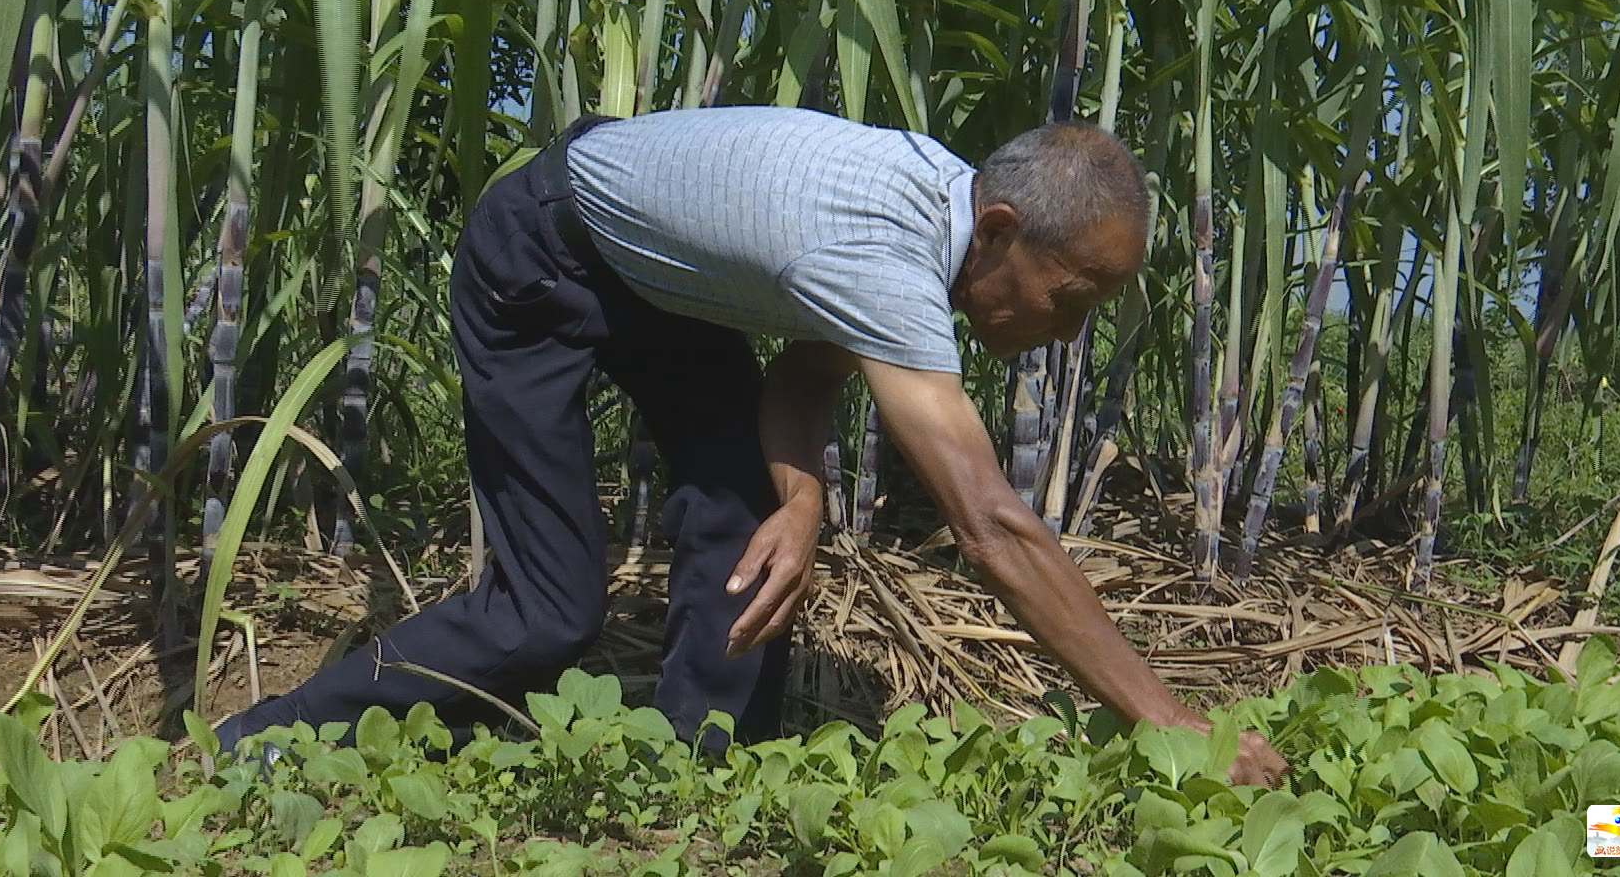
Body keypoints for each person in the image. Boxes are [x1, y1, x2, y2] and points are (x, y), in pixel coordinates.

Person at [212, 106, 1289, 787]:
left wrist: (806, 499)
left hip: (654, 282)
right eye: (1074, 295)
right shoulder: (883, 249)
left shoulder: (932, 206)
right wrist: (1174, 723)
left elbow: (805, 371)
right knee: (549, 608)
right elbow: (992, 525)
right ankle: (263, 738)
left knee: (748, 520)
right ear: (1001, 231)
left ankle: (702, 776)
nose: (1072, 327)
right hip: (540, 255)